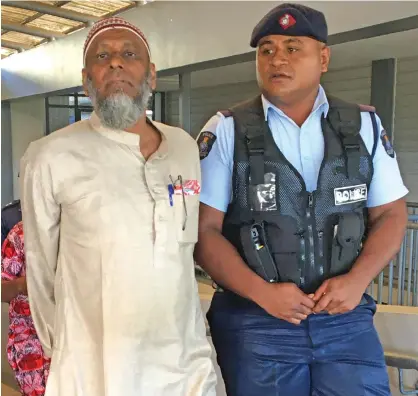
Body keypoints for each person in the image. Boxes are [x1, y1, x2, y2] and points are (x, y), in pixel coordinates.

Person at [195, 3, 408, 396]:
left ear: (323, 58)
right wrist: (262, 294)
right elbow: (203, 232)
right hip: (255, 323)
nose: (278, 58)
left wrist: (357, 281)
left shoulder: (363, 126)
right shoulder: (226, 131)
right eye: (267, 49)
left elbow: (392, 214)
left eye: (294, 47)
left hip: (344, 320)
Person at [20, 17, 216, 396]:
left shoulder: (183, 148)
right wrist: (63, 351)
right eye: (102, 56)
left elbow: (182, 254)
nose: (115, 63)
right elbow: (39, 269)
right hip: (97, 368)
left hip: (185, 362)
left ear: (152, 76)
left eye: (129, 54)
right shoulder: (49, 155)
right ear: (85, 79)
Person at [2, 221, 51, 395]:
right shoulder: (21, 234)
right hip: (30, 344)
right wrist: (20, 286)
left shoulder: (79, 233)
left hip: (72, 340)